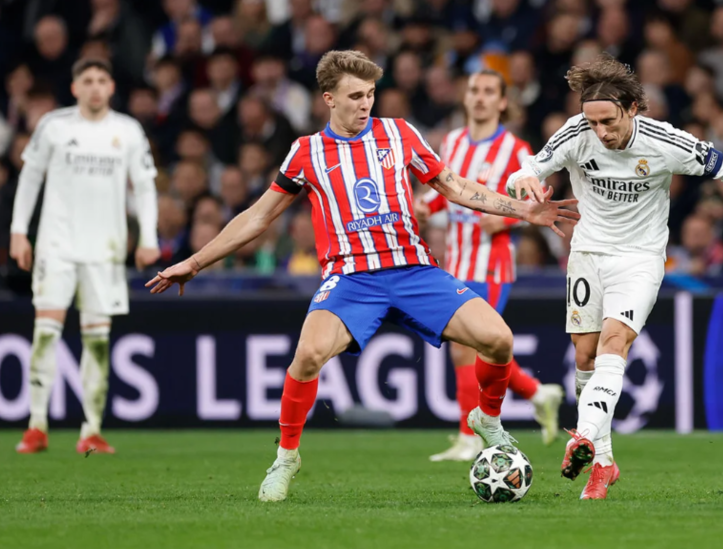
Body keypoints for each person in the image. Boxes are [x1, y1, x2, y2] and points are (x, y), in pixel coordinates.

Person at [146, 50, 579, 503]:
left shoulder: (399, 134)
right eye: (355, 96)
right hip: (352, 278)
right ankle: (286, 457)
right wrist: (194, 262)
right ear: (328, 98)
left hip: (413, 270)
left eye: (371, 94)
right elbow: (257, 217)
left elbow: (455, 187)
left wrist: (522, 209)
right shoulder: (306, 152)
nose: (365, 104)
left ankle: (487, 420)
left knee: (499, 340)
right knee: (308, 354)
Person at [506, 53, 723, 499]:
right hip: (587, 254)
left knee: (613, 342)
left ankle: (581, 436)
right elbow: (531, 166)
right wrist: (523, 181)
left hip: (639, 258)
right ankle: (603, 461)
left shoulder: (664, 141)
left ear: (632, 108)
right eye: (592, 121)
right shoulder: (577, 133)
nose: (600, 132)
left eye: (608, 121)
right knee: (584, 358)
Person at [10, 59, 160, 454]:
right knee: (45, 333)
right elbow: (30, 178)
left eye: (101, 80)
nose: (95, 87)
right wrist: (18, 231)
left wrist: (147, 236)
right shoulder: (54, 126)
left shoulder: (126, 131)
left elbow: (144, 186)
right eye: (87, 81)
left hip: (105, 251)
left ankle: (90, 430)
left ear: (111, 87)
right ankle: (36, 425)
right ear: (75, 88)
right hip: (56, 246)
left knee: (97, 341)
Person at [416, 69, 564, 462]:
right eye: (474, 91)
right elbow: (443, 190)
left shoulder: (516, 150)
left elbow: (536, 204)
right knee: (467, 348)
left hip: (493, 268)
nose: (479, 98)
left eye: (488, 92)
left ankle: (469, 436)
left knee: (469, 346)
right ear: (465, 99)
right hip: (457, 262)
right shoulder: (451, 142)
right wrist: (424, 206)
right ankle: (537, 393)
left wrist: (507, 218)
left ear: (502, 102)